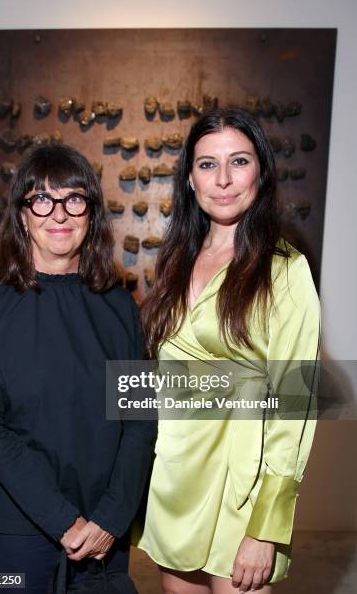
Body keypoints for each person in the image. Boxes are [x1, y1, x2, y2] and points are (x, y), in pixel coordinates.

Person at [134, 108, 320, 593]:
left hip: (243, 492)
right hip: (175, 479)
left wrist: (267, 525)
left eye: (238, 161)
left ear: (260, 171)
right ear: (189, 178)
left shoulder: (286, 270)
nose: (223, 180)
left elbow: (293, 404)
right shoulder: (174, 260)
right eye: (207, 164)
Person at [0, 142, 156, 593]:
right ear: (22, 214)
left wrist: (111, 516)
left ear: (91, 212)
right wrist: (62, 520)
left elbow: (140, 421)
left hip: (105, 529)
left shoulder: (122, 307)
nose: (59, 214)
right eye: (42, 199)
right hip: (18, 528)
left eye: (74, 199)